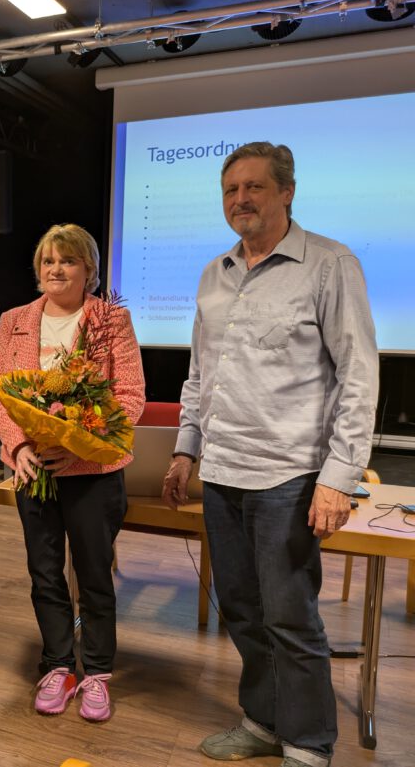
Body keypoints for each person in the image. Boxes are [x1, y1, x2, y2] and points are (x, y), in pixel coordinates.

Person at [161, 142, 378, 767]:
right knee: (242, 611)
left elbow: (358, 377)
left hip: (289, 476)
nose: (241, 200)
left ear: (286, 192)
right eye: (230, 190)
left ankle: (309, 743)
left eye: (254, 187)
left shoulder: (331, 266)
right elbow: (201, 375)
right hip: (222, 474)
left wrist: (338, 479)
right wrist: (185, 450)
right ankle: (263, 720)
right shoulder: (213, 274)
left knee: (290, 618)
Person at [0, 223, 144, 722]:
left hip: (93, 472)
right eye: (48, 260)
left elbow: (130, 397)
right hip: (34, 471)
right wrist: (21, 446)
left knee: (95, 577)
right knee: (44, 574)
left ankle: (96, 673)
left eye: (68, 260)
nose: (56, 269)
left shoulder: (111, 319)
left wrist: (75, 450)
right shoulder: (13, 320)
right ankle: (57, 665)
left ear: (89, 270)